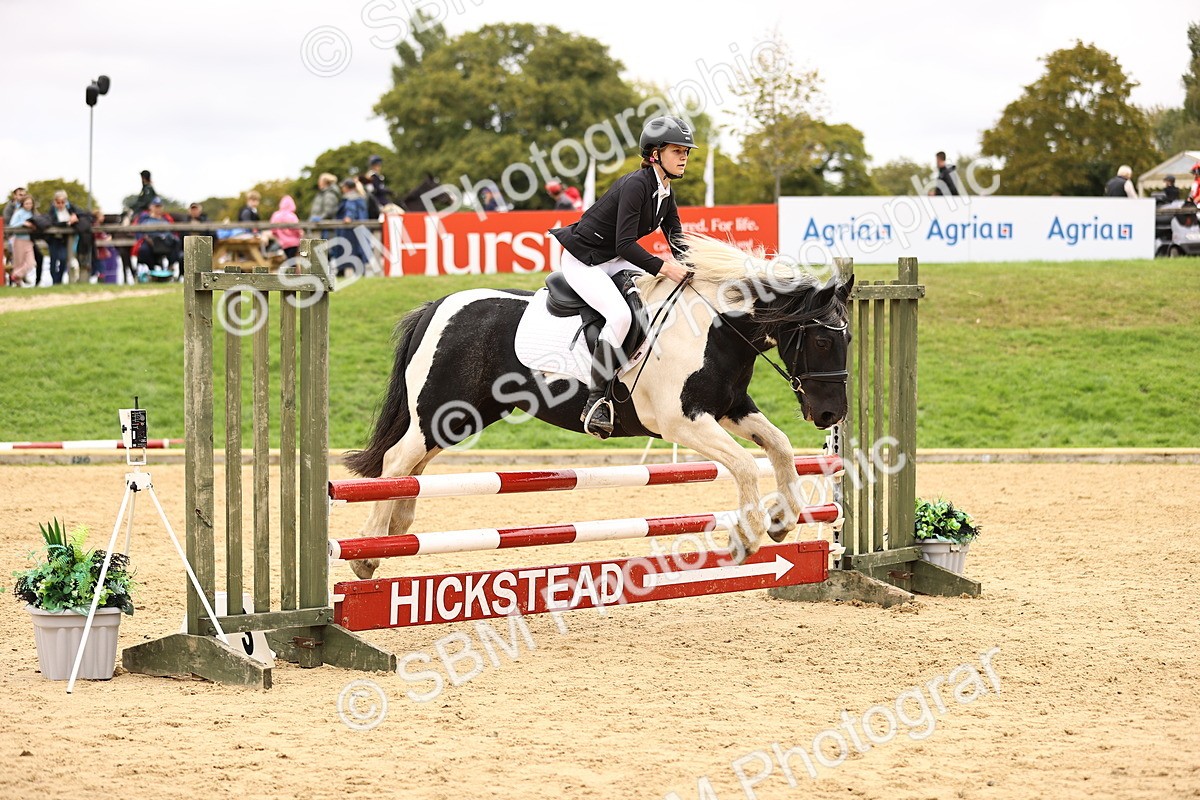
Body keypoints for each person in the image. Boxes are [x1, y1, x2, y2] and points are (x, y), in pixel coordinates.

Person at [548, 115, 694, 438]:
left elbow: (678, 241)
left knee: (651, 301)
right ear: (655, 154)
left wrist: (696, 270)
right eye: (677, 150)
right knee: (620, 315)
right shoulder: (636, 185)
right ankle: (595, 400)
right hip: (583, 260)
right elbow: (625, 244)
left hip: (611, 259)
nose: (684, 156)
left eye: (686, 151)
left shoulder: (665, 192)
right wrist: (665, 267)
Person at [334, 178, 368, 276]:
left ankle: (341, 272)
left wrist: (349, 217)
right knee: (358, 250)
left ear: (347, 187)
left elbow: (350, 210)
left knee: (346, 249)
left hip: (350, 231)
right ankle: (361, 273)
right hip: (360, 229)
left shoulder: (350, 198)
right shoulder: (361, 197)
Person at [45, 190, 80, 284]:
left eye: (62, 202)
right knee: (53, 261)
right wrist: (67, 223)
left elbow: (81, 214)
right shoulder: (52, 210)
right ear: (54, 202)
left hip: (64, 239)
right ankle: (54, 281)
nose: (60, 204)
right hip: (54, 239)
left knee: (63, 259)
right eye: (58, 202)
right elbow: (53, 222)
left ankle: (59, 280)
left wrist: (75, 217)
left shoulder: (71, 208)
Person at [7, 195, 37, 286]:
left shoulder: (33, 213)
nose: (29, 205)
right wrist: (23, 223)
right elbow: (12, 225)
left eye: (30, 203)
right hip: (19, 240)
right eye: (27, 203)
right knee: (18, 263)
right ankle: (17, 284)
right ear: (23, 204)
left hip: (29, 241)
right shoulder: (19, 213)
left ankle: (14, 275)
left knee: (31, 263)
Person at [269, 195, 303, 261]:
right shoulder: (292, 216)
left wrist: (279, 237)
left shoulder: (276, 215)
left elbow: (273, 230)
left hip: (283, 243)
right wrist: (300, 235)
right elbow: (298, 229)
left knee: (287, 260)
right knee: (293, 261)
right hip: (294, 243)